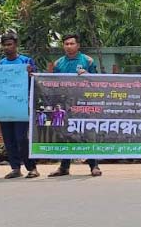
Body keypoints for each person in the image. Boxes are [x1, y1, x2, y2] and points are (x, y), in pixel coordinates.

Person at [48, 34, 102, 178]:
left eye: (72, 43)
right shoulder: (58, 63)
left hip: (84, 103)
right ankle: (64, 167)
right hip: (66, 103)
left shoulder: (88, 61)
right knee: (66, 134)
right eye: (66, 44)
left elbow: (97, 82)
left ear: (78, 45)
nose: (69, 46)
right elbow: (54, 84)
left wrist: (87, 74)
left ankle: (94, 165)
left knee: (88, 133)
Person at [0, 32, 40, 179]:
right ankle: (15, 168)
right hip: (5, 106)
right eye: (5, 45)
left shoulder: (26, 61)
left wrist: (30, 73)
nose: (7, 47)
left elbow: (37, 80)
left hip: (21, 105)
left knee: (21, 138)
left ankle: (32, 167)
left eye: (10, 44)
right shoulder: (0, 64)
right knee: (8, 138)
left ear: (16, 45)